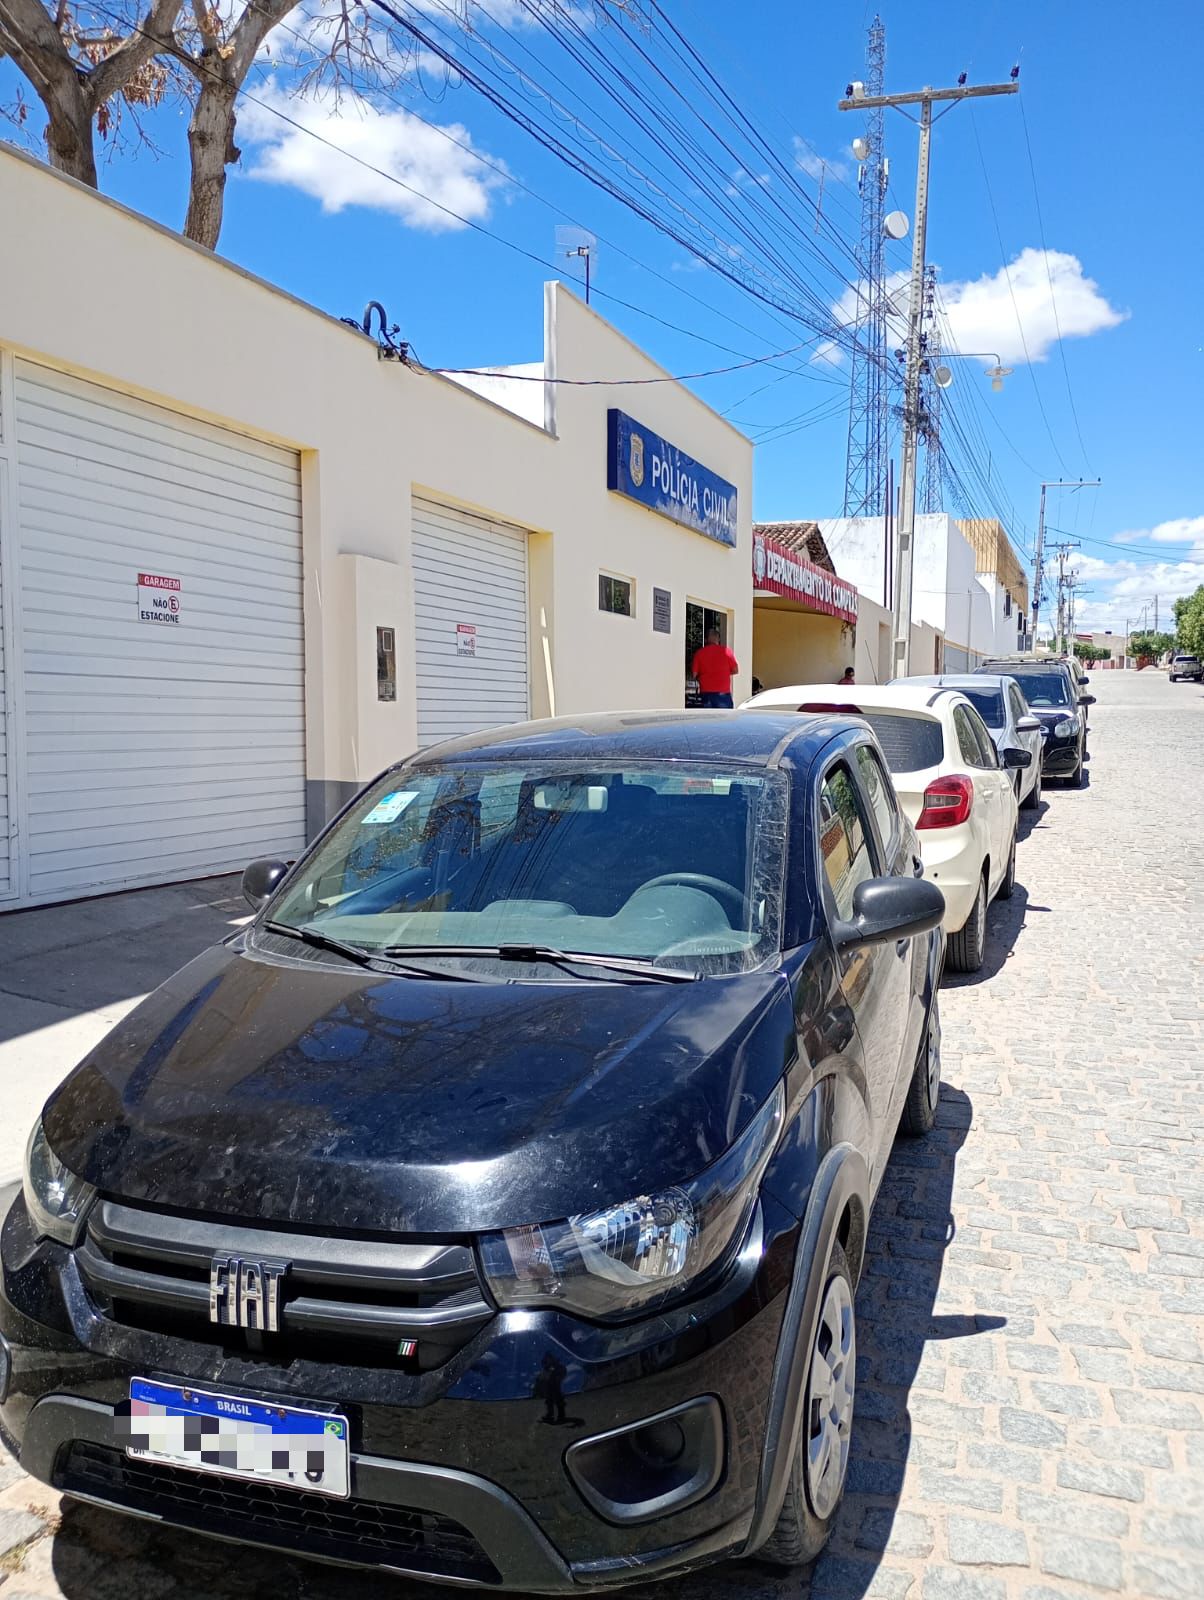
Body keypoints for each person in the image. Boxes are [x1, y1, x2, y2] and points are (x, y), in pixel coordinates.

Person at [692, 628, 739, 708]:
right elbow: (735, 670)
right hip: (723, 693)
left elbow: (694, 674)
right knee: (726, 719)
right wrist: (723, 673)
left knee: (708, 719)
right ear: (718, 639)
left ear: (706, 639)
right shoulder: (727, 651)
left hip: (706, 692)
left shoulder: (699, 653)